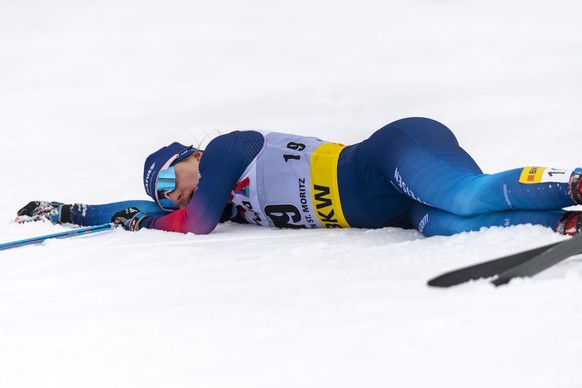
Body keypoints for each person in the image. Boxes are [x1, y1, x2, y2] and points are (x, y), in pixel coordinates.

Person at [16, 117, 582, 237]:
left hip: (391, 154)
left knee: (460, 193)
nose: (174, 194)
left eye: (170, 179)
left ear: (188, 155)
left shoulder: (223, 150)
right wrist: (68, 212)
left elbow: (196, 222)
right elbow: (137, 210)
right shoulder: (217, 199)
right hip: (390, 210)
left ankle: (575, 180)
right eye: (164, 194)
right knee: (447, 223)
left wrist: (166, 220)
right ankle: (559, 221)